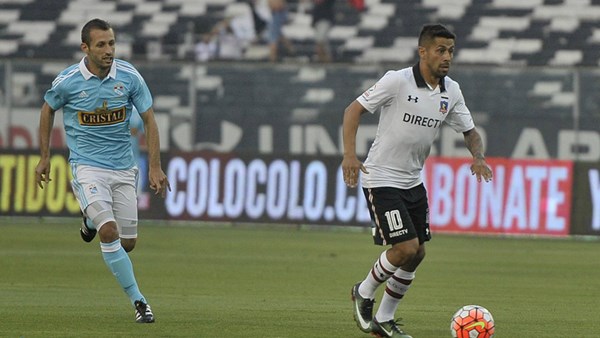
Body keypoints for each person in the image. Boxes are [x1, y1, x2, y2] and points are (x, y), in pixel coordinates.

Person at [342, 24, 493, 338]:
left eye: (451, 50)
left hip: (412, 181)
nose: (447, 56)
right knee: (405, 247)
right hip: (381, 177)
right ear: (422, 51)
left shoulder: (451, 90)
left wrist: (477, 157)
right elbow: (353, 111)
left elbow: (469, 130)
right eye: (440, 50)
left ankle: (384, 320)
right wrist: (349, 156)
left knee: (418, 252)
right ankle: (364, 291)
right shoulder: (396, 81)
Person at [34, 18, 171, 324]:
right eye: (101, 45)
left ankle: (87, 219)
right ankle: (140, 302)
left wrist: (156, 167)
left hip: (124, 168)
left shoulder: (129, 76)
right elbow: (47, 108)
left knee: (128, 242)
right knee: (109, 230)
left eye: (111, 43)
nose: (109, 50)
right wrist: (44, 157)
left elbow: (149, 120)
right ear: (85, 48)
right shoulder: (68, 81)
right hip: (87, 167)